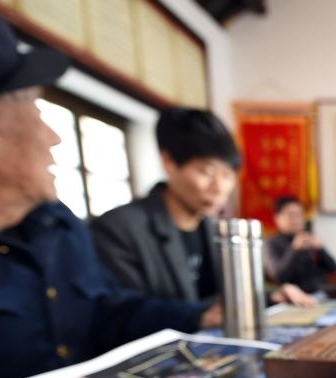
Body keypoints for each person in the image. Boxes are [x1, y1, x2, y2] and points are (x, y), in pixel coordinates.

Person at [0, 0, 216, 378]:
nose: (54, 137)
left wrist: (200, 315)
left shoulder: (56, 224)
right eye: (33, 109)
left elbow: (105, 312)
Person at [90, 108, 315, 307]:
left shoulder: (213, 228)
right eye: (207, 172)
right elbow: (124, 314)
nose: (220, 187)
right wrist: (200, 315)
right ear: (169, 162)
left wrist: (269, 297)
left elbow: (224, 297)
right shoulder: (119, 230)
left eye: (227, 175)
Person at [266, 195, 336, 293]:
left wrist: (321, 249)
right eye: (291, 215)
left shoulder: (309, 237)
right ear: (277, 218)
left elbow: (334, 269)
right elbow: (279, 276)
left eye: (299, 214)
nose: (297, 219)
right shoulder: (272, 243)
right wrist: (294, 249)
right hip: (295, 296)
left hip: (322, 292)